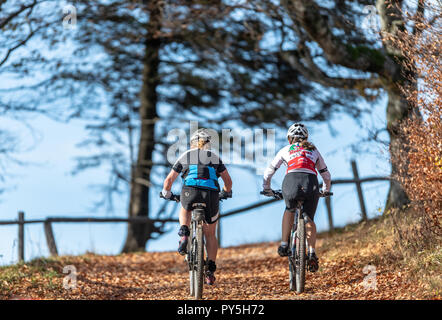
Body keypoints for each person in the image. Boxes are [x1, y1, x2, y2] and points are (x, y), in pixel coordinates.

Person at [161, 128, 232, 285]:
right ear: (209, 144)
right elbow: (228, 181)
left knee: (185, 207)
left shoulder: (186, 155)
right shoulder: (214, 157)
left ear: (192, 144)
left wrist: (167, 194)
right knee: (211, 234)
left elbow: (168, 181)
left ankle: (184, 232)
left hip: (190, 191)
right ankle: (210, 269)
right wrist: (226, 193)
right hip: (211, 194)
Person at [262, 123, 331, 272]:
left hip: (291, 182)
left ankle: (284, 244)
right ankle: (312, 252)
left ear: (289, 139)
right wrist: (325, 190)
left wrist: (267, 189)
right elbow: (326, 174)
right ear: (306, 138)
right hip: (310, 183)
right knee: (309, 219)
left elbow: (268, 172)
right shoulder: (313, 149)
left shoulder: (285, 150)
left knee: (289, 208)